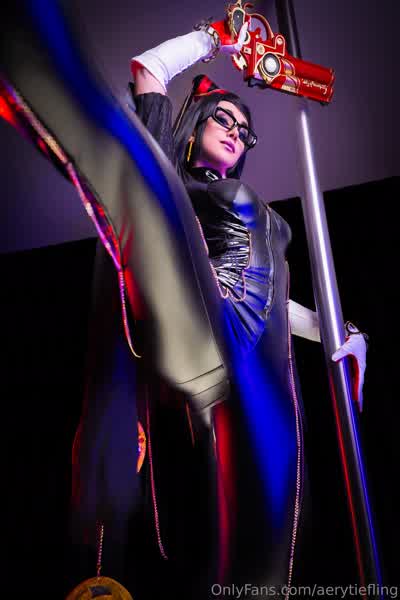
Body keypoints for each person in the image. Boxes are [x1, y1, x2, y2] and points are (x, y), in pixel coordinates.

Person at [0, 5, 367, 599]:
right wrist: (217, 39)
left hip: (256, 366)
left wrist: (344, 333)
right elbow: (148, 71)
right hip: (199, 315)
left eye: (245, 131)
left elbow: (278, 305)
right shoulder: (180, 181)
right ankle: (28, 41)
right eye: (224, 117)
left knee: (267, 543)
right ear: (194, 126)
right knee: (145, 176)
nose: (237, 132)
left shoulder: (256, 212)